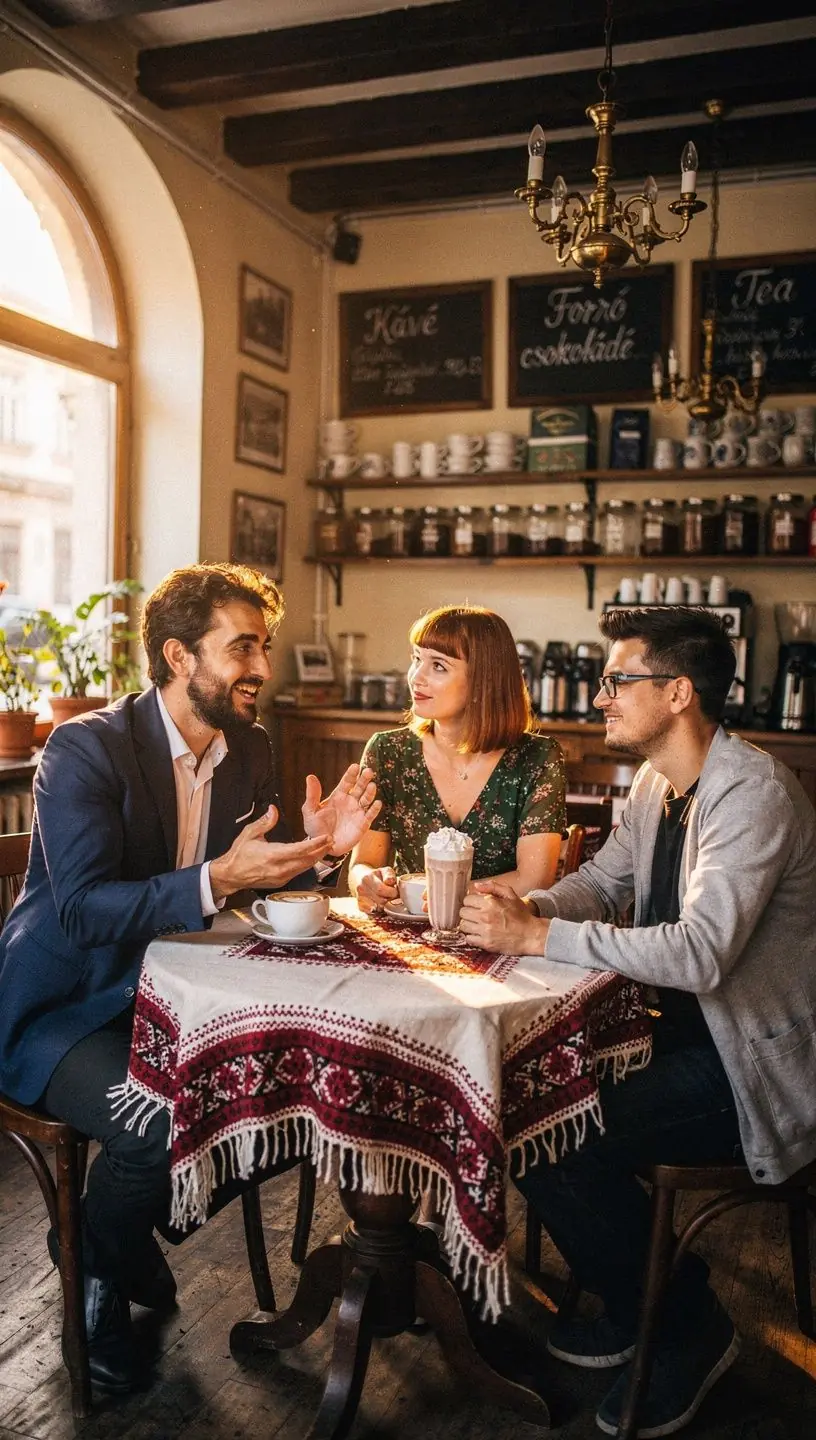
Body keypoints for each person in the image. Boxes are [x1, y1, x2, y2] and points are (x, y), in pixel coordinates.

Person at [0, 563, 381, 1393]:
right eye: (242, 647)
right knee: (159, 1125)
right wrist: (219, 879)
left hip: (182, 999)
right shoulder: (83, 746)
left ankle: (117, 1229)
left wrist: (323, 851)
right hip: (66, 1009)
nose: (263, 668)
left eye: (265, 646)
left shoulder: (249, 747)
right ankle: (99, 1274)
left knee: (274, 1104)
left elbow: (266, 885)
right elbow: (86, 912)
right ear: (179, 657)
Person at [459, 605, 816, 1438]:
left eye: (618, 680)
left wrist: (539, 934)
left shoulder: (752, 793)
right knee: (532, 1100)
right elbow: (605, 883)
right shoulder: (660, 782)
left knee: (543, 1124)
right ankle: (634, 1302)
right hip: (682, 1038)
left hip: (755, 1065)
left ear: (679, 692)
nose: (601, 698)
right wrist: (519, 905)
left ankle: (690, 1328)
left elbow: (700, 954)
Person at [349, 604, 566, 911]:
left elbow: (534, 880)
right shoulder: (387, 752)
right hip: (410, 932)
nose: (416, 677)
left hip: (499, 935)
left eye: (438, 666)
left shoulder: (538, 758)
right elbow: (365, 863)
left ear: (483, 682)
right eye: (416, 659)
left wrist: (449, 894)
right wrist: (366, 880)